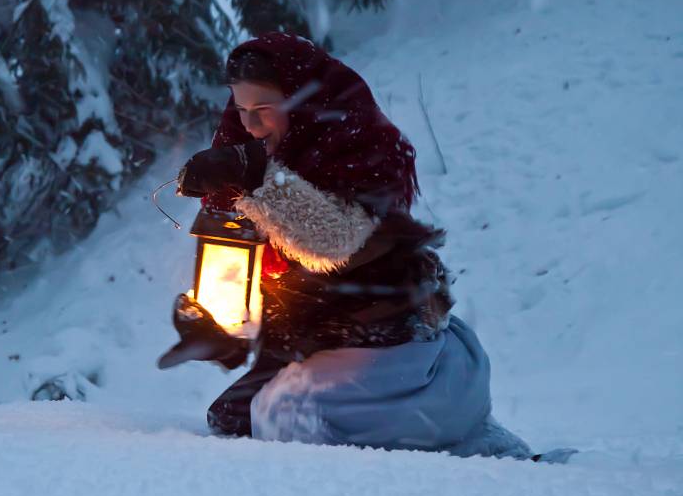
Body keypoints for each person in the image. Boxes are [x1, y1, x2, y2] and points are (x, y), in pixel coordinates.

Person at [161, 31, 546, 460]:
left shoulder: (356, 150)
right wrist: (224, 330)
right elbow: (255, 274)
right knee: (232, 418)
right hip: (320, 338)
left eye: (265, 110)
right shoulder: (258, 161)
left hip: (389, 345)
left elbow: (334, 241)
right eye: (243, 110)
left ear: (301, 104)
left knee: (278, 418)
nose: (250, 125)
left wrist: (258, 178)